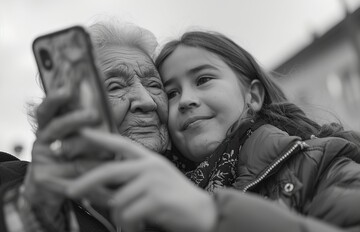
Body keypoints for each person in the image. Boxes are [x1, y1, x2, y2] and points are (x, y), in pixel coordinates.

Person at [61, 31, 360, 232]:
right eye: (171, 92)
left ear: (253, 96)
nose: (186, 100)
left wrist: (216, 216)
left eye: (203, 79)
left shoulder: (320, 162)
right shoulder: (159, 197)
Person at [0, 21, 169, 232]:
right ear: (68, 108)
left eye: (154, 85)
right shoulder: (8, 180)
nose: (148, 101)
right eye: (115, 86)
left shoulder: (195, 195)